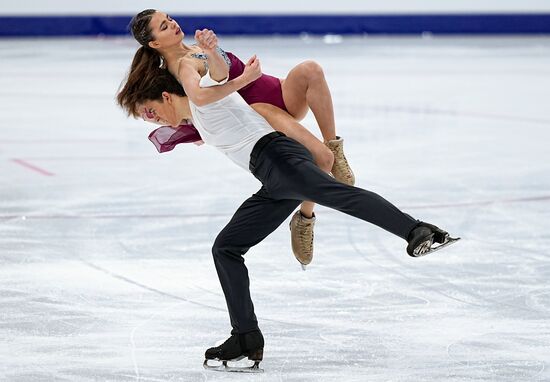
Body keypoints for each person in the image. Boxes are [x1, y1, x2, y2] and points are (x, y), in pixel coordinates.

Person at [116, 52, 458, 371]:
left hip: (281, 161)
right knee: (226, 248)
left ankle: (416, 231)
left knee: (341, 195)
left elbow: (204, 74)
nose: (153, 121)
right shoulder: (198, 116)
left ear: (164, 97)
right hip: (272, 179)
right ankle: (245, 335)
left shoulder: (203, 95)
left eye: (150, 112)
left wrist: (212, 57)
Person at [124, 9, 356, 267]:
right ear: (155, 43)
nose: (173, 24)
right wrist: (240, 79)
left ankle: (334, 144)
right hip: (259, 110)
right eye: (164, 27)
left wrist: (211, 50)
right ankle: (304, 218)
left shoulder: (193, 48)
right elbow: (196, 100)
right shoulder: (180, 68)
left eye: (169, 19)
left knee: (311, 70)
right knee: (321, 161)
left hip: (277, 90)